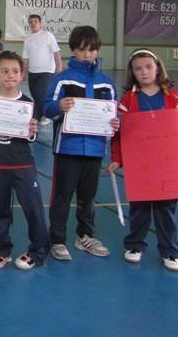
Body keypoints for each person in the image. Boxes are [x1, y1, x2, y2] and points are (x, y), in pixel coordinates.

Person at [44, 25, 119, 261]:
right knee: (62, 196)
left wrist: (117, 122)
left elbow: (114, 113)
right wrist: (59, 107)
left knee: (88, 197)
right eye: (82, 49)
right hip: (67, 148)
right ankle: (57, 239)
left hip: (95, 150)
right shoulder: (61, 80)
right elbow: (47, 108)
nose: (87, 55)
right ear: (73, 50)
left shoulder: (106, 83)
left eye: (92, 50)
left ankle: (84, 236)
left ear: (97, 51)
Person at [0, 51, 49, 270]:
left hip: (22, 164)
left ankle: (38, 251)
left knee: (33, 208)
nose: (10, 75)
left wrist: (32, 131)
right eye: (4, 71)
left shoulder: (27, 103)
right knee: (0, 209)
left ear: (22, 75)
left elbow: (29, 137)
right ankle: (1, 248)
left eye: (15, 71)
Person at [108, 48, 178, 272]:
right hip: (139, 165)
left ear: (158, 68)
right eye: (138, 68)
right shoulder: (127, 100)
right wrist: (116, 158)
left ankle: (169, 250)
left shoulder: (173, 97)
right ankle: (134, 245)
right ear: (132, 72)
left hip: (166, 165)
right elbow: (119, 136)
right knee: (140, 209)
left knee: (166, 211)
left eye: (148, 67)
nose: (144, 72)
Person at [22, 14, 62, 125]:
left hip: (47, 71)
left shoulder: (47, 35)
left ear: (40, 23)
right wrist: (23, 72)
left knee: (41, 94)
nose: (33, 23)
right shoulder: (28, 39)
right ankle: (39, 115)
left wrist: (59, 65)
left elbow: (56, 51)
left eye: (35, 21)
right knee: (35, 94)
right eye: (31, 22)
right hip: (33, 71)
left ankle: (45, 115)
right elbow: (25, 58)